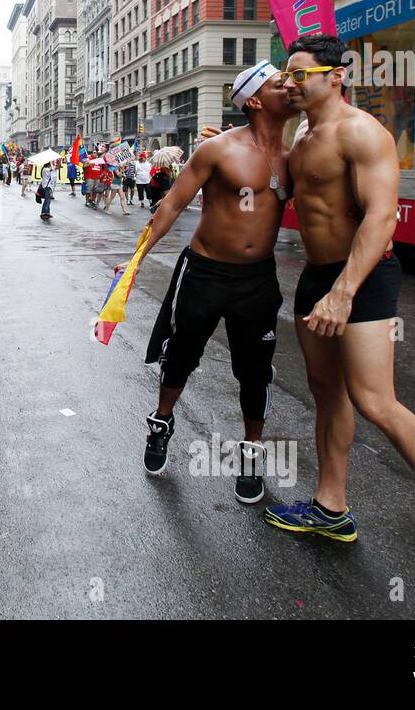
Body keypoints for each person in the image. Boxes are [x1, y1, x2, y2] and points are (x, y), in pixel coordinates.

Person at [264, 35, 415, 588]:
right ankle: (331, 507)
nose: (290, 83)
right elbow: (287, 195)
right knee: (327, 393)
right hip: (317, 277)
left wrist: (344, 292)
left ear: (335, 76)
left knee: (374, 400)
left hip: (362, 278)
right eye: (286, 75)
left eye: (299, 74)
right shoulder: (303, 136)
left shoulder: (362, 132)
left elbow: (382, 217)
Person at [114, 61, 291, 503]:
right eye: (278, 83)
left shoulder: (296, 154)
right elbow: (171, 205)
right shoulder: (219, 151)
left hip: (258, 280)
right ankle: (162, 422)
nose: (290, 86)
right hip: (205, 272)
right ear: (254, 100)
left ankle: (251, 453)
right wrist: (135, 260)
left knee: (255, 369)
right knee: (181, 357)